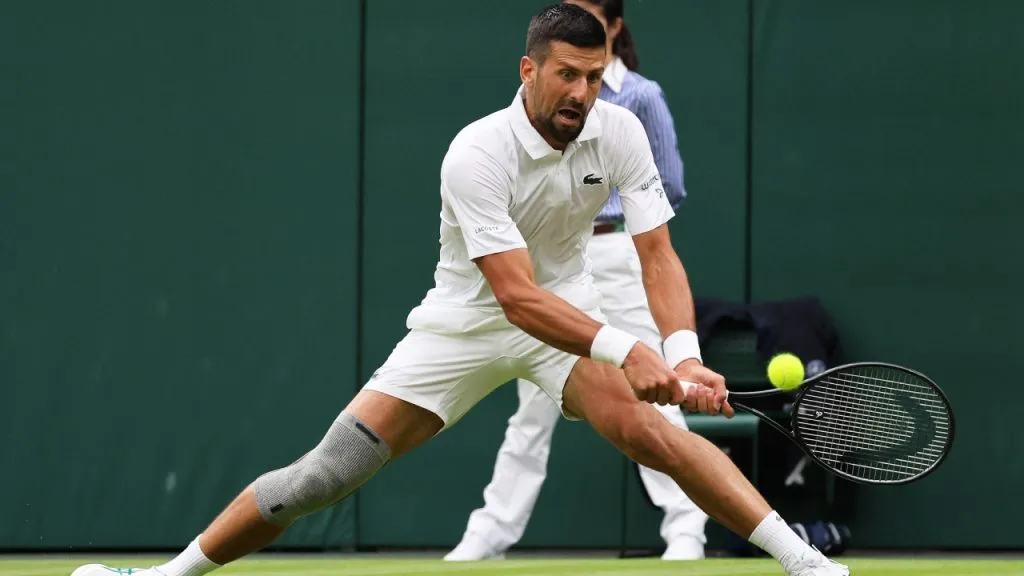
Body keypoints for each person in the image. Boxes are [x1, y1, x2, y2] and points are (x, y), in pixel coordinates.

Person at [70, 5, 848, 576]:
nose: (583, 91)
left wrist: (681, 351)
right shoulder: (475, 153)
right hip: (467, 322)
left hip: (570, 309)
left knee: (655, 435)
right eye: (568, 75)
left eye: (595, 74)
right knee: (324, 474)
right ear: (530, 70)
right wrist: (625, 346)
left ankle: (801, 562)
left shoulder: (621, 130)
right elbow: (513, 298)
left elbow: (657, 253)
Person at [444, 0, 708, 562]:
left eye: (591, 15)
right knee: (532, 411)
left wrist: (598, 204)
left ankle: (686, 531)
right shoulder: (540, 95)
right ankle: (489, 534)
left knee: (657, 391)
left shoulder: (640, 98)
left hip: (620, 254)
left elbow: (670, 189)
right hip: (553, 263)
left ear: (612, 28)